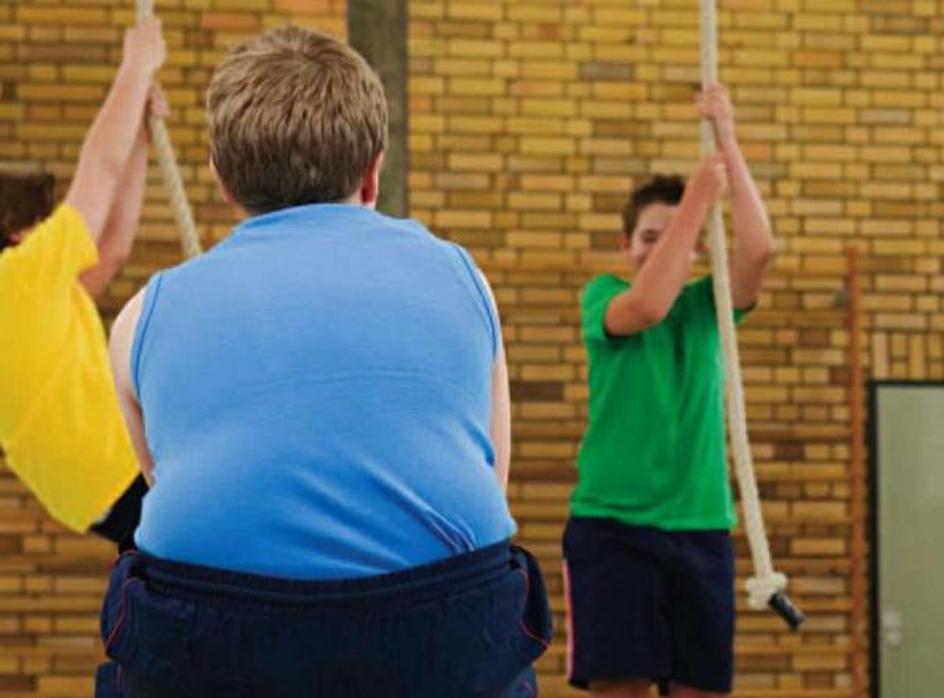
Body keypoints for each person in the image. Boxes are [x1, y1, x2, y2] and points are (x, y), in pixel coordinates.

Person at [99, 26, 549, 696]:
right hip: (443, 635)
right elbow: (492, 471)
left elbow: (167, 480)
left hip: (215, 640)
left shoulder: (143, 315)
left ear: (222, 180)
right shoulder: (462, 277)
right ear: (375, 169)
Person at [561, 83, 774, 698]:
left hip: (699, 527)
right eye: (647, 236)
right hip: (614, 528)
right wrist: (696, 204)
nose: (660, 244)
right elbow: (649, 304)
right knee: (619, 687)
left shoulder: (708, 309)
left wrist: (728, 142)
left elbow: (760, 249)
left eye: (673, 234)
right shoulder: (605, 296)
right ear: (626, 246)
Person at [0, 18, 164, 535]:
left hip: (86, 487)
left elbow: (111, 250)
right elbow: (98, 172)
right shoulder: (16, 278)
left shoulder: (29, 306)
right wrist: (135, 67)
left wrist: (139, 137)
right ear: (20, 234)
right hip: (108, 463)